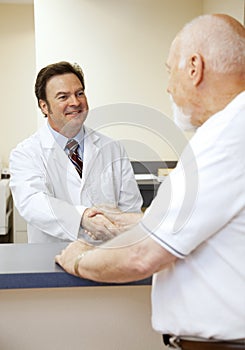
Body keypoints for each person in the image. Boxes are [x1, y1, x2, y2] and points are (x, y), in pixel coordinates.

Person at [55, 14, 245, 349]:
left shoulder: (227, 137)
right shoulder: (229, 130)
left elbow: (141, 257)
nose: (168, 86)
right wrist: (130, 220)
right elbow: (201, 219)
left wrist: (78, 258)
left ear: (194, 67)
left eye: (169, 70)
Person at [9, 61, 142, 243]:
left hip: (108, 258)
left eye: (80, 93)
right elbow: (33, 203)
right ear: (44, 106)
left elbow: (131, 209)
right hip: (51, 260)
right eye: (63, 97)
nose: (75, 102)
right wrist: (82, 217)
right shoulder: (26, 154)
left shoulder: (112, 149)